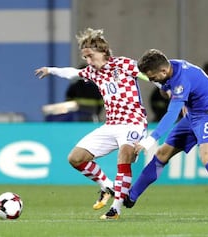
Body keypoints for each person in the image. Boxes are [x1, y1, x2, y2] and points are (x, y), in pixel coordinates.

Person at [35, 28, 151, 220]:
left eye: (90, 56)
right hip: (111, 124)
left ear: (103, 51)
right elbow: (73, 73)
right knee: (75, 158)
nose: (88, 61)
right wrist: (51, 70)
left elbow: (149, 75)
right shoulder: (92, 72)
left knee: (124, 155)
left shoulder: (123, 64)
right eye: (85, 57)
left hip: (133, 123)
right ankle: (106, 185)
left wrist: (168, 87)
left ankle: (116, 208)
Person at [123, 49, 208, 220]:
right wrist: (165, 89)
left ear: (163, 71)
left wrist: (150, 140)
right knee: (162, 154)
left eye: (152, 77)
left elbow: (171, 114)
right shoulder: (170, 66)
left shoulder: (181, 79)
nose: (151, 80)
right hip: (192, 116)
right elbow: (167, 90)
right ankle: (131, 197)